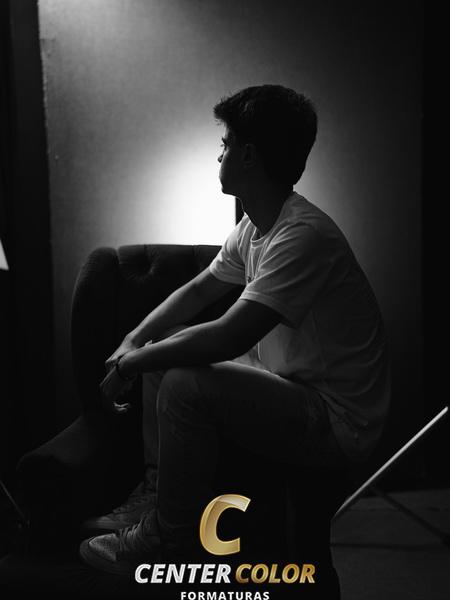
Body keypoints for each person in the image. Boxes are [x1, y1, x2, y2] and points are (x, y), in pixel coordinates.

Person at [79, 84, 390, 575]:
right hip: (289, 378)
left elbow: (230, 336)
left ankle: (169, 538)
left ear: (248, 156)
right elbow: (199, 290)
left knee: (182, 381)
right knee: (168, 350)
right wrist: (135, 341)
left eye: (225, 144)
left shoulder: (303, 236)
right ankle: (158, 496)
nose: (219, 154)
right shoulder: (255, 226)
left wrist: (131, 364)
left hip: (337, 417)